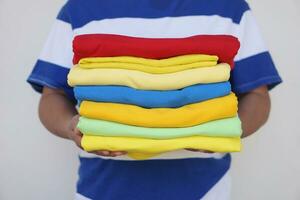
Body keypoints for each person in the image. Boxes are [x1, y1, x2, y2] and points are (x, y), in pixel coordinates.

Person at [27, 0, 282, 199]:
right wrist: (71, 126)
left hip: (205, 191)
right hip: (100, 190)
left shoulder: (229, 8)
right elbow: (53, 95)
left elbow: (257, 95)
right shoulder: (81, 8)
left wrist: (225, 131)